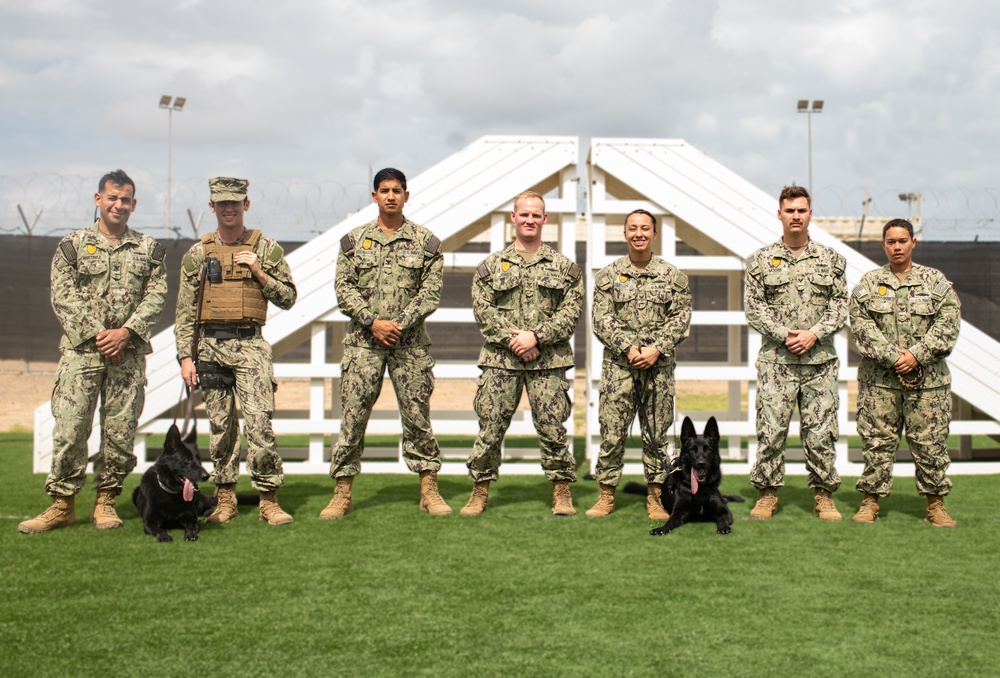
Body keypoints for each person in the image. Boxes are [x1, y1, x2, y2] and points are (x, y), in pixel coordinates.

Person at [19, 169, 167, 534]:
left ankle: (105, 502)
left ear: (134, 204)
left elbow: (157, 295)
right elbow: (63, 296)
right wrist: (102, 336)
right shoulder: (72, 246)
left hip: (128, 355)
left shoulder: (149, 250)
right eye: (112, 198)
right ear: (98, 199)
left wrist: (126, 333)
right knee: (71, 429)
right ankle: (62, 505)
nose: (119, 205)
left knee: (119, 432)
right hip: (81, 354)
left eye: (126, 199)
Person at [321, 168, 450, 518]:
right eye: (384, 190)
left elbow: (430, 294)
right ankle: (342, 493)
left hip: (410, 345)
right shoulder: (353, 242)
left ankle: (429, 490)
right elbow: (343, 289)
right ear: (374, 196)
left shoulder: (427, 243)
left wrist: (398, 325)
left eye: (396, 190)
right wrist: (371, 321)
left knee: (417, 417)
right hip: (364, 343)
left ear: (407, 195)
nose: (390, 196)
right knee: (352, 417)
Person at [175, 177, 297, 526]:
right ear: (212, 206)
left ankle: (268, 499)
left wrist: (258, 271)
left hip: (250, 345)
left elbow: (288, 298)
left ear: (246, 204)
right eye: (222, 203)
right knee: (221, 426)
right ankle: (225, 498)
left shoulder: (267, 249)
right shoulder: (198, 254)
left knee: (260, 423)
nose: (229, 208)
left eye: (236, 202)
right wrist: (186, 356)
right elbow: (185, 311)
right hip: (210, 345)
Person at [460, 190, 584, 516]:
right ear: (513, 218)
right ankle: (479, 491)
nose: (530, 220)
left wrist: (537, 338)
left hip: (548, 362)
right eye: (524, 214)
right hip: (502, 361)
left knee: (552, 427)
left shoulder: (565, 269)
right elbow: (484, 312)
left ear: (545, 220)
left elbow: (570, 314)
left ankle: (561, 492)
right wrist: (516, 341)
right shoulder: (489, 267)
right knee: (490, 427)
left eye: (536, 215)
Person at [744, 185, 847, 522]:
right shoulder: (760, 260)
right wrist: (786, 336)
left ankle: (823, 495)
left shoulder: (831, 260)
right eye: (790, 211)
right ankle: (767, 494)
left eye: (802, 210)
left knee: (820, 431)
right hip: (777, 362)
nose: (796, 216)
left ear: (810, 214)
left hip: (819, 363)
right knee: (771, 429)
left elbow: (839, 305)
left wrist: (813, 334)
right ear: (779, 214)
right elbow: (754, 308)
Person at [849, 218, 960, 527]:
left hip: (928, 382)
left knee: (930, 442)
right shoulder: (870, 283)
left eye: (902, 241)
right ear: (883, 245)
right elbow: (860, 324)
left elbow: (949, 324)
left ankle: (935, 504)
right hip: (880, 383)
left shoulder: (934, 282)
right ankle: (870, 500)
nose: (896, 247)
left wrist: (916, 355)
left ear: (913, 243)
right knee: (876, 441)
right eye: (890, 242)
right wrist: (893, 357)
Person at [588, 209, 692, 518]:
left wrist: (656, 349)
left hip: (658, 369)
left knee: (658, 435)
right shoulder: (607, 275)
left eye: (645, 228)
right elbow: (601, 319)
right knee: (612, 432)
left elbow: (680, 319)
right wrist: (628, 348)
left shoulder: (673, 277)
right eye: (632, 228)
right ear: (624, 233)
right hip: (619, 368)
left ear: (655, 234)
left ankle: (655, 497)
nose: (639, 234)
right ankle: (606, 495)